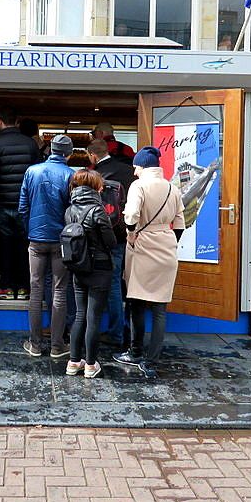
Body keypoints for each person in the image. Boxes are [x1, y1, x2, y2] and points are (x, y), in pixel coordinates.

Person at [113, 146, 185, 379]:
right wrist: (169, 241)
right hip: (166, 246)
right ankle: (152, 361)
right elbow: (180, 222)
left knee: (136, 302)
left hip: (142, 245)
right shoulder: (173, 187)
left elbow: (131, 215)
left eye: (136, 166)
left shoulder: (139, 186)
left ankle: (135, 352)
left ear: (143, 166)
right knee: (159, 309)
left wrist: (131, 234)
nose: (134, 171)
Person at [18, 134, 74, 358]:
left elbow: (23, 207)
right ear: (69, 154)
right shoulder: (71, 175)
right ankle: (57, 346)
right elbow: (73, 211)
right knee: (59, 290)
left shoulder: (32, 171)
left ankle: (35, 344)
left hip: (36, 238)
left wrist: (30, 230)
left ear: (50, 150)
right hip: (61, 240)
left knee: (36, 290)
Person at [0, 106, 42, 299]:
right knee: (25, 246)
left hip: (2, 204)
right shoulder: (30, 144)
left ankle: (7, 286)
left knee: (6, 247)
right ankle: (24, 287)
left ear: (0, 123)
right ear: (17, 122)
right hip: (26, 205)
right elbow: (37, 174)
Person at [64, 169, 117, 379]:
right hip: (100, 268)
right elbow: (110, 242)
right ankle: (91, 365)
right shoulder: (97, 210)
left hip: (79, 268)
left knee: (80, 314)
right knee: (93, 317)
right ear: (95, 187)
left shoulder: (69, 210)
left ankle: (73, 361)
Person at [87, 138, 136, 347]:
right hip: (123, 234)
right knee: (119, 281)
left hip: (100, 236)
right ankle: (121, 330)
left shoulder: (93, 175)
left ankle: (107, 331)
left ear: (92, 155)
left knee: (98, 282)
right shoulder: (128, 171)